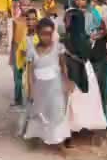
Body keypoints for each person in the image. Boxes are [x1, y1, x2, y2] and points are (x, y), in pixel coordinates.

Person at [24, 18, 73, 146]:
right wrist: (31, 90)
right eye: (43, 34)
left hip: (55, 86)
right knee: (40, 112)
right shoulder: (31, 50)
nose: (47, 37)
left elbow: (63, 66)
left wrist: (66, 82)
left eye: (49, 34)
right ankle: (38, 136)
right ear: (37, 33)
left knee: (56, 110)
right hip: (40, 87)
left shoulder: (58, 48)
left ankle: (61, 139)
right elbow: (29, 72)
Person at [63, 8, 107, 135]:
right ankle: (81, 126)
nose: (66, 23)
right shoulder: (84, 37)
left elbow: (78, 55)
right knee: (85, 100)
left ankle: (74, 126)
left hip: (77, 70)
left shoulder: (74, 38)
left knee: (76, 98)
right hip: (86, 71)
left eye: (68, 20)